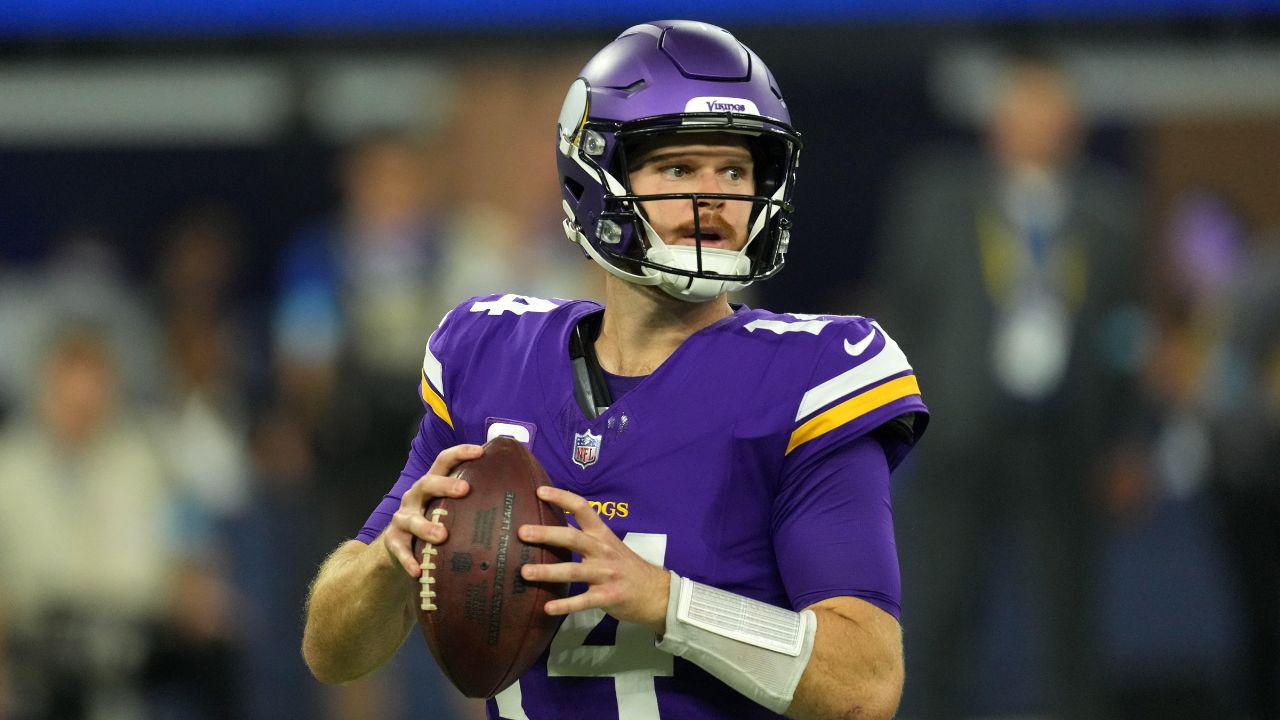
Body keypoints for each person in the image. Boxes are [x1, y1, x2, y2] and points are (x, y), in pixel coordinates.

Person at [302, 20, 928, 720]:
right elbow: (332, 653)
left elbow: (867, 684)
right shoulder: (490, 360)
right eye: (679, 168)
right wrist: (389, 560)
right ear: (594, 178)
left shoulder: (809, 378)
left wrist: (669, 603)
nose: (715, 197)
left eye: (736, 169)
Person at [875, 54, 1143, 718]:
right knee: (940, 612)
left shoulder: (1110, 213)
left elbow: (1126, 334)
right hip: (957, 438)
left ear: (1074, 123)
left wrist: (1129, 438)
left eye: (1052, 108)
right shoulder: (936, 196)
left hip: (1064, 443)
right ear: (996, 121)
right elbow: (900, 309)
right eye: (1024, 107)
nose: (1038, 123)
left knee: (1069, 620)